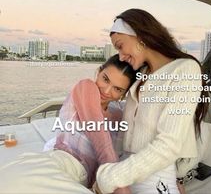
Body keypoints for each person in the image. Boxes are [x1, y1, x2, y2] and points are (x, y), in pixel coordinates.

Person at [96, 9, 209, 194]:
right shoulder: (142, 76)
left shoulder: (185, 70)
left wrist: (111, 177)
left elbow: (169, 144)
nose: (121, 56)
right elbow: (136, 119)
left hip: (153, 178)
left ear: (139, 35)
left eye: (120, 46)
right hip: (124, 174)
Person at [0, 54, 137, 194]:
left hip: (83, 181)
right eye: (105, 79)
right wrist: (119, 184)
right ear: (99, 72)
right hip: (61, 163)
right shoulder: (86, 87)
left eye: (118, 89)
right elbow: (102, 142)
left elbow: (116, 151)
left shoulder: (118, 115)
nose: (107, 91)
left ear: (124, 94)